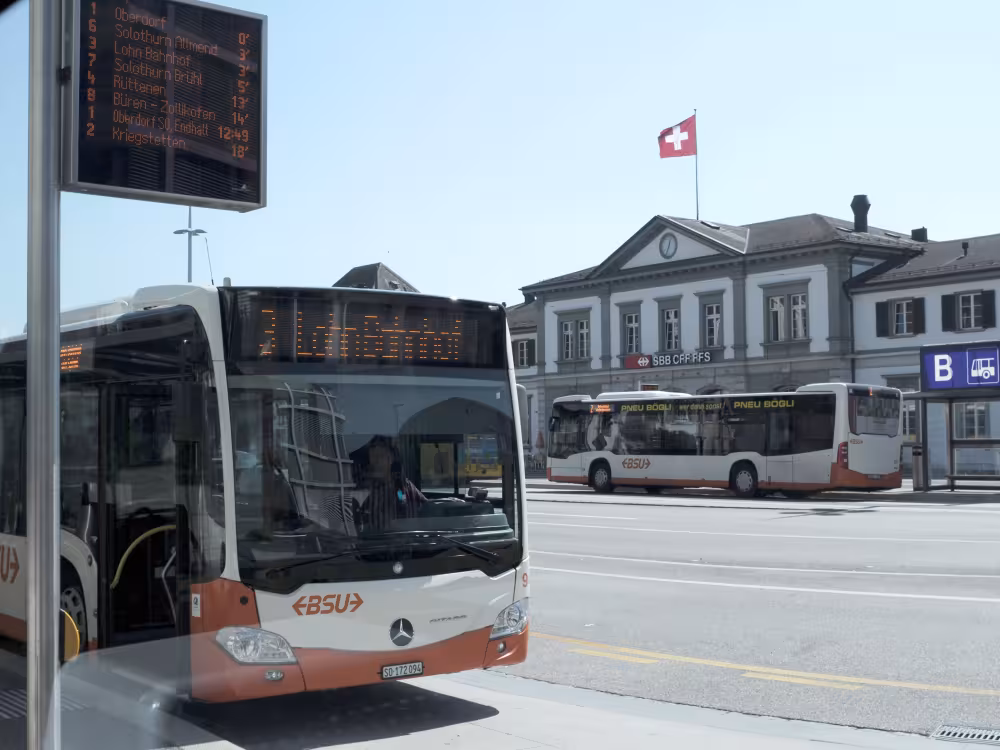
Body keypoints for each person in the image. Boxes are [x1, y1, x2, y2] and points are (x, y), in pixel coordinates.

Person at [360, 436, 427, 532]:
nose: (376, 461)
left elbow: (426, 509)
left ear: (391, 459)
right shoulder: (368, 488)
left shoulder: (403, 487)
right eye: (373, 457)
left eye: (381, 456)